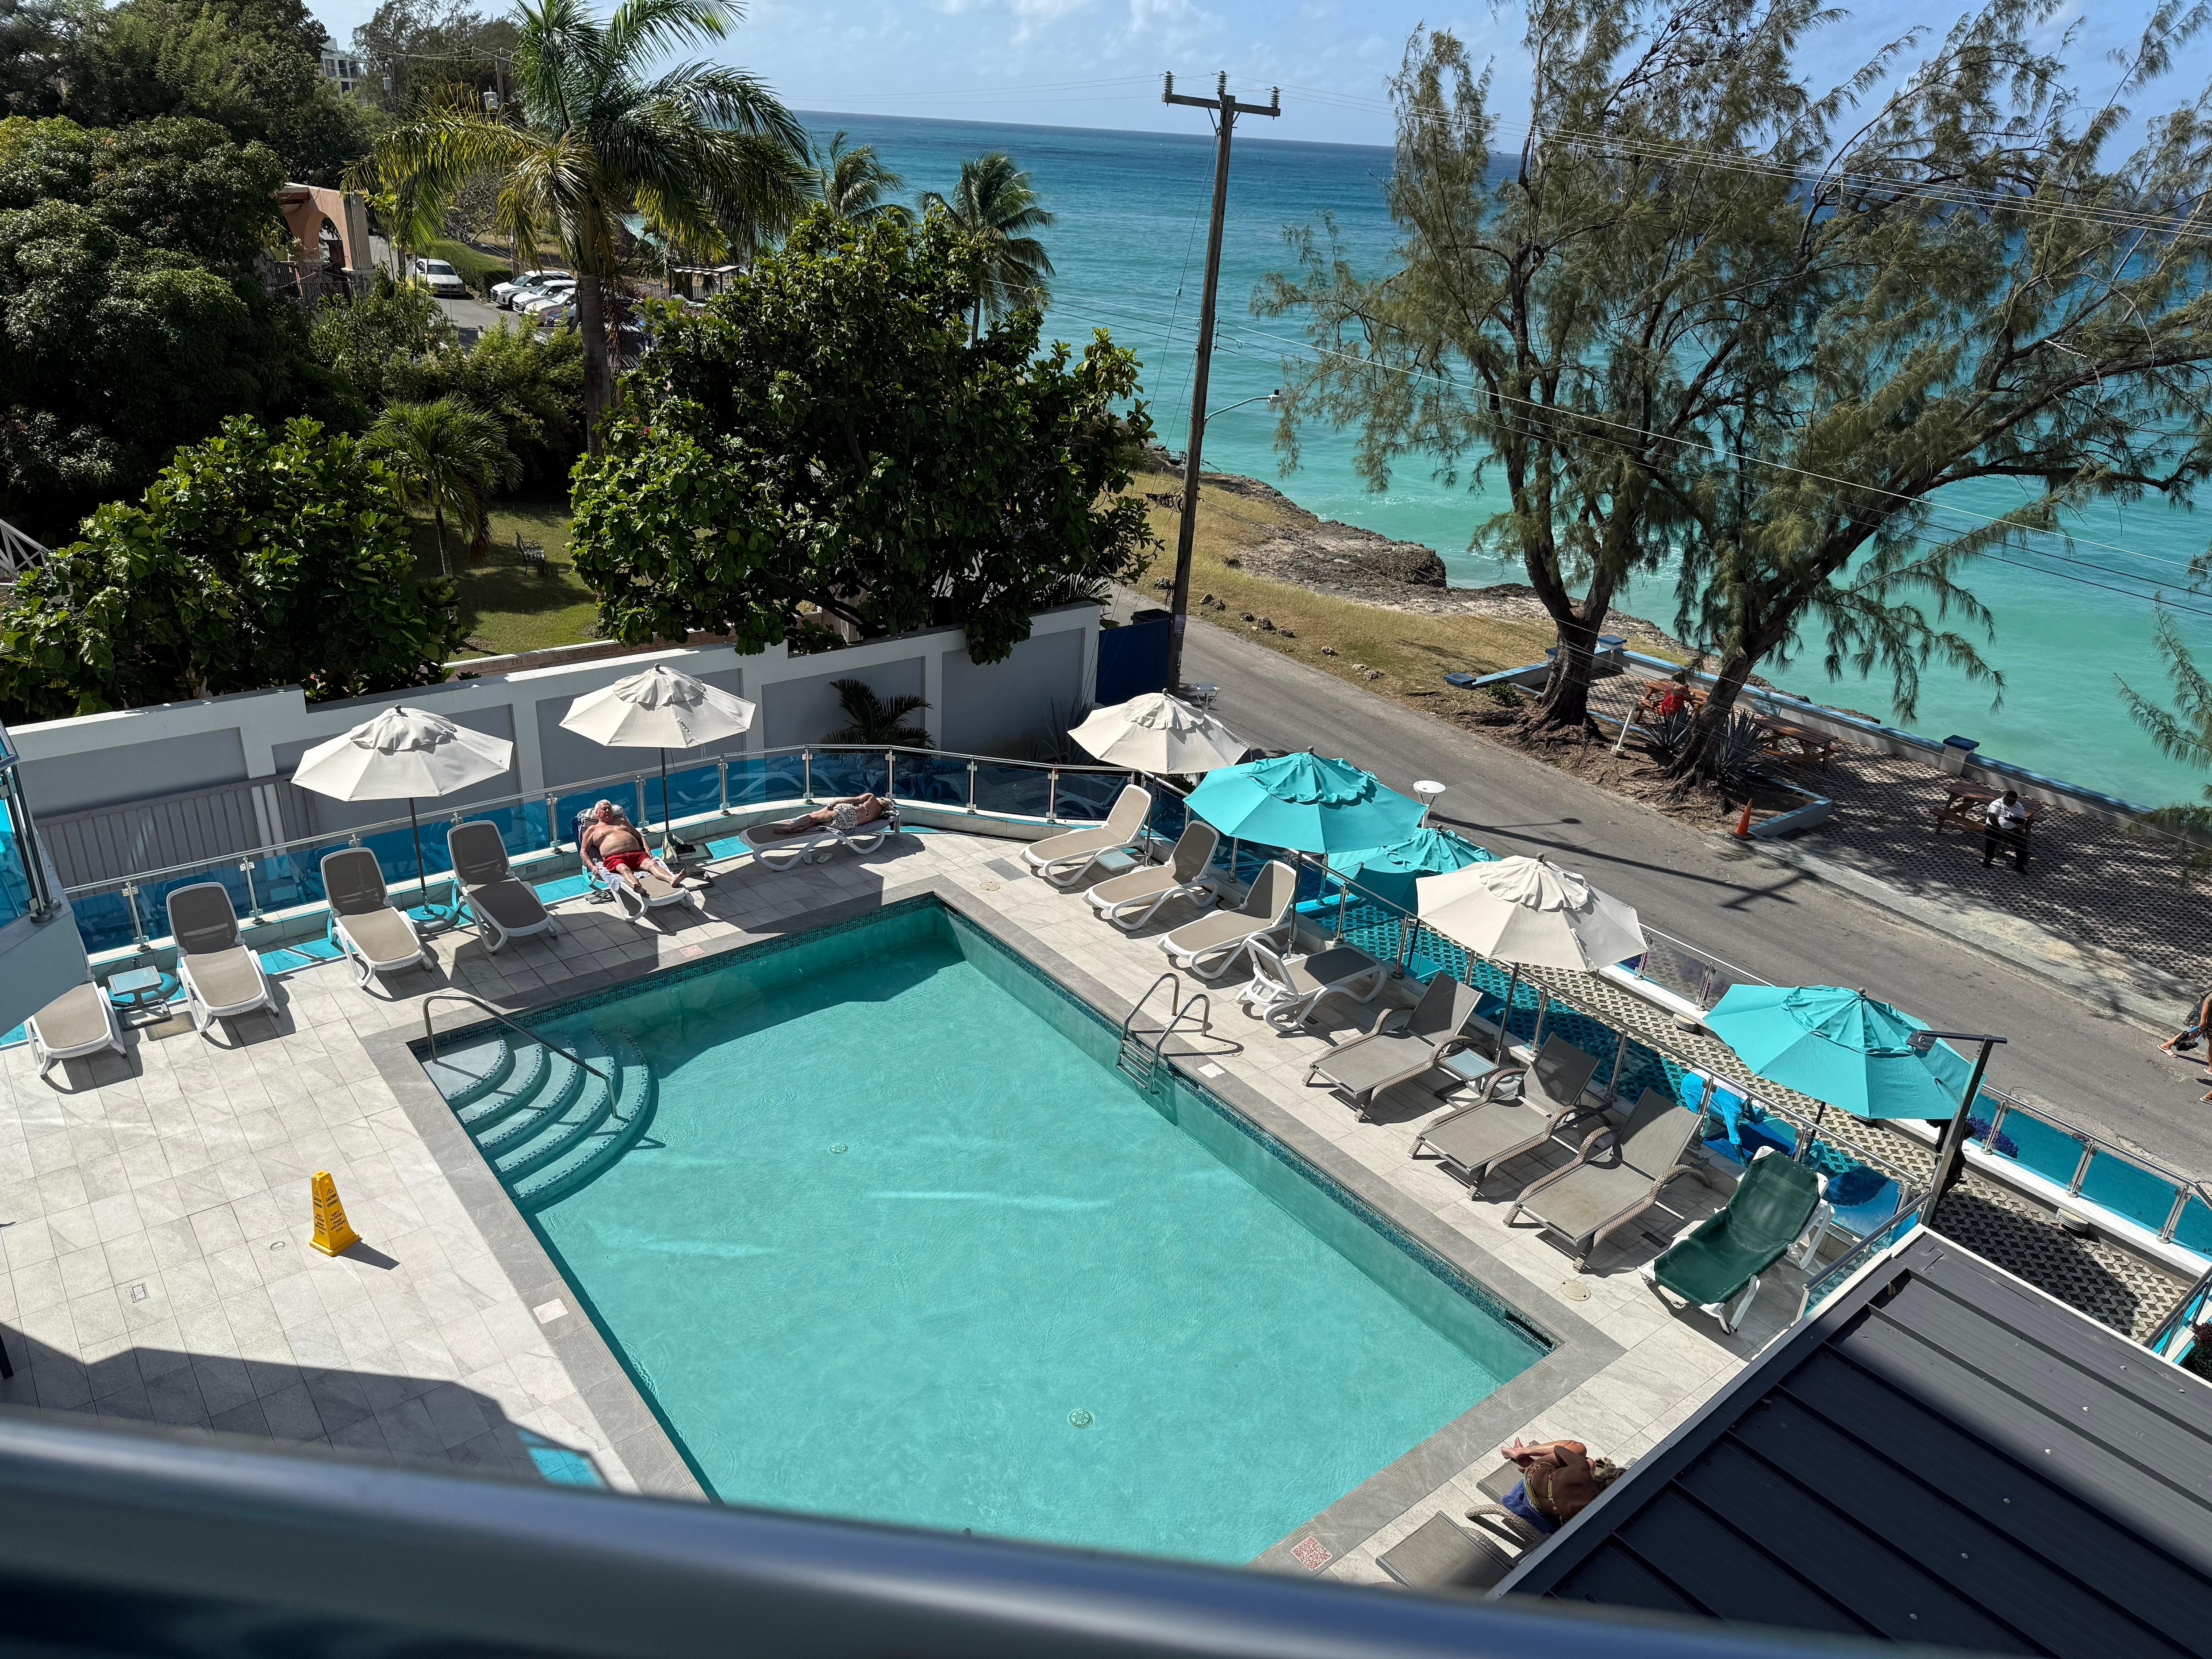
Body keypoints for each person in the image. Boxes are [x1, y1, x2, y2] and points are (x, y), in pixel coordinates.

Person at [1482, 1436, 1624, 1536]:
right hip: (1539, 1505)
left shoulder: (1582, 1470)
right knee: (1588, 1464)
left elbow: (1559, 1450)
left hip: (1533, 1476)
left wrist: (1575, 1464)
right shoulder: (1592, 1509)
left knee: (1581, 1450)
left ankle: (1523, 1455)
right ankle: (1523, 1461)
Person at [579, 800, 691, 894]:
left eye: (609, 809)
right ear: (597, 813)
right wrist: (592, 866)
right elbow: (583, 852)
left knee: (652, 864)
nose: (608, 811)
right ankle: (636, 886)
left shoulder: (622, 822)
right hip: (614, 858)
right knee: (624, 869)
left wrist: (647, 849)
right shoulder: (593, 830)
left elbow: (640, 836)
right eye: (604, 809)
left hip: (636, 854)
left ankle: (672, 879)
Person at [763, 792, 889, 838]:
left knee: (812, 816)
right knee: (819, 821)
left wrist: (838, 801)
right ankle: (803, 828)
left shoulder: (872, 797)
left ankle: (790, 828)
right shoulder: (876, 816)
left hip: (845, 812)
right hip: (845, 825)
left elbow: (855, 800)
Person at [1982, 789, 2032, 870]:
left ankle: (2020, 864)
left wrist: (2012, 819)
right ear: (2006, 798)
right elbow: (1991, 817)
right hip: (1995, 827)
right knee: (1991, 840)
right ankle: (1988, 860)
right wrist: (1999, 829)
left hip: (2011, 830)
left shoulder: (2018, 806)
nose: (2011, 804)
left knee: (2022, 842)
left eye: (2013, 802)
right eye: (2010, 802)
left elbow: (2022, 821)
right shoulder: (1996, 803)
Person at [2161, 988, 2212, 1057]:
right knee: (2195, 1031)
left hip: (2208, 1012)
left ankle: (2166, 1046)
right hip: (2204, 1010)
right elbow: (2207, 1003)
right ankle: (2166, 1046)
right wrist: (2203, 1022)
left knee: (2196, 1032)